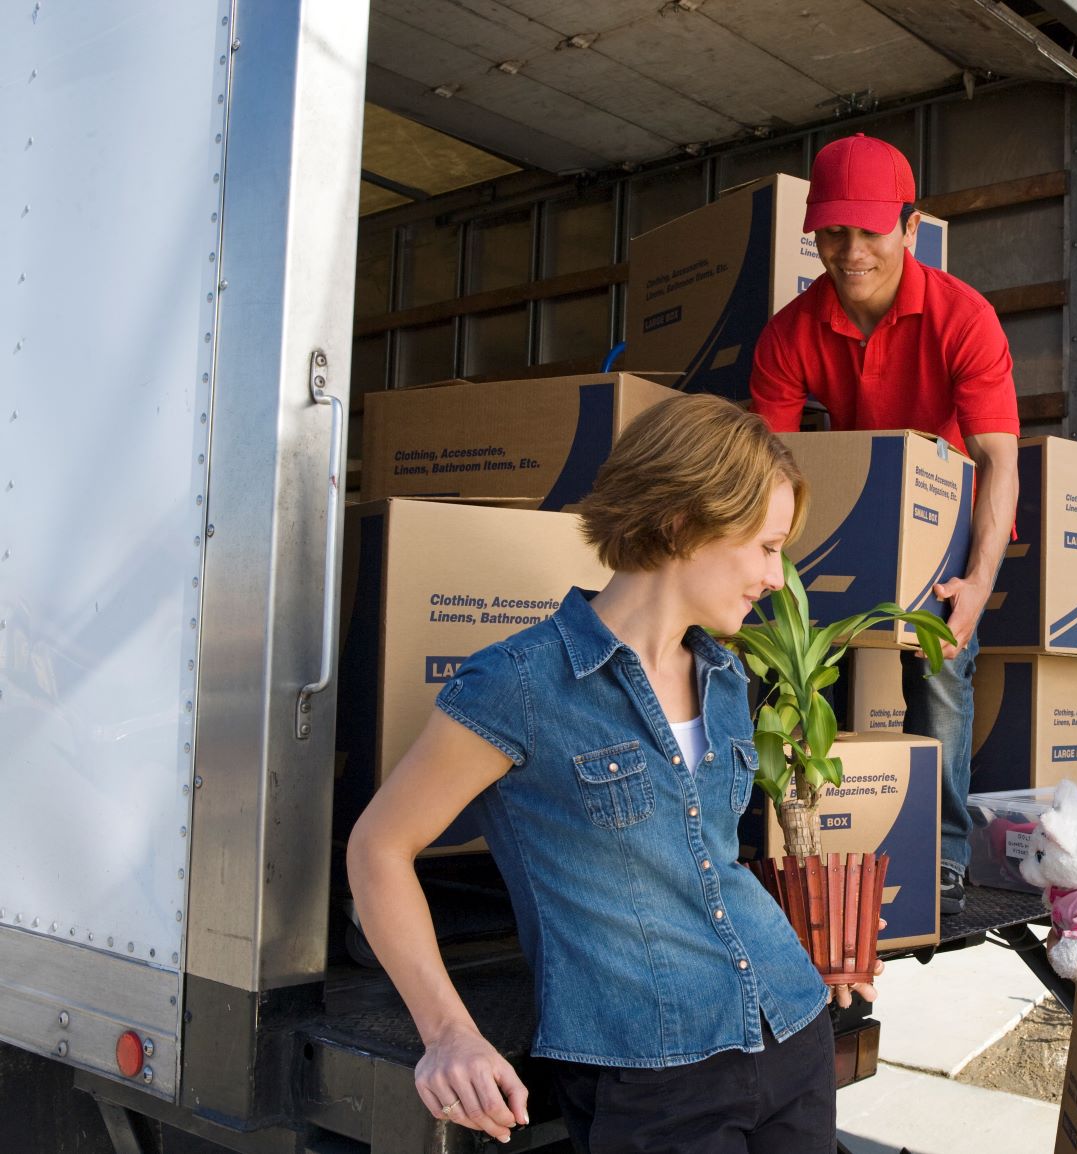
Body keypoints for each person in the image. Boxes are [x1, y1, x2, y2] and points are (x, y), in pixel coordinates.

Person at [347, 394, 875, 1153]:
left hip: (790, 1026)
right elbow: (378, 849)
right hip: (653, 1076)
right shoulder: (521, 685)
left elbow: (706, 865)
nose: (776, 574)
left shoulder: (726, 678)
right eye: (765, 546)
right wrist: (448, 1034)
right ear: (682, 522)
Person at [750, 133, 1021, 915]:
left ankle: (941, 855)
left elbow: (999, 463)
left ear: (910, 227)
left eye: (870, 230)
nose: (850, 250)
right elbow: (764, 465)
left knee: (938, 665)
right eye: (833, 230)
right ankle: (761, 841)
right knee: (768, 658)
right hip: (838, 519)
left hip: (937, 529)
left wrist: (977, 584)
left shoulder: (963, 318)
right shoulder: (790, 332)